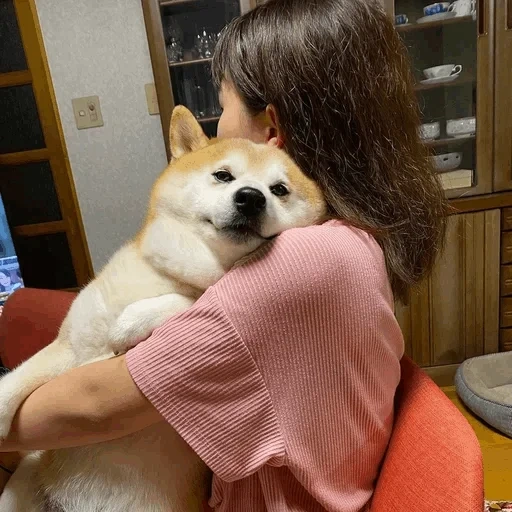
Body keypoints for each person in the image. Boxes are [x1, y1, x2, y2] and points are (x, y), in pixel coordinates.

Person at [0, 0, 447, 510]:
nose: (215, 127)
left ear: (272, 127)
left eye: (223, 103)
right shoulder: (353, 241)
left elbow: (98, 403)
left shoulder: (301, 261)